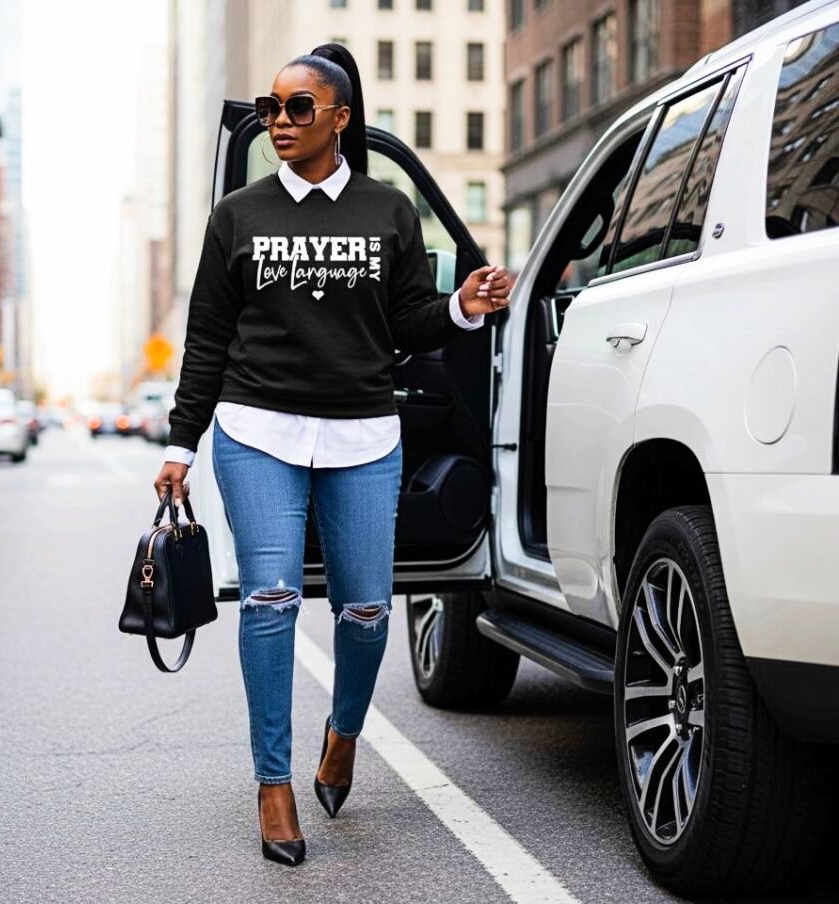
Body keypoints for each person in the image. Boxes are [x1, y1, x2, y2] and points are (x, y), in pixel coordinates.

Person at [154, 43, 511, 867]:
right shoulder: (237, 215)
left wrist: (461, 307)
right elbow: (207, 338)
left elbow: (409, 321)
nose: (278, 123)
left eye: (297, 108)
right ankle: (273, 784)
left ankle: (343, 734)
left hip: (362, 435)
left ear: (340, 119)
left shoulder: (388, 210)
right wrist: (181, 440)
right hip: (257, 432)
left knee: (366, 610)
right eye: (269, 109)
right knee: (270, 600)